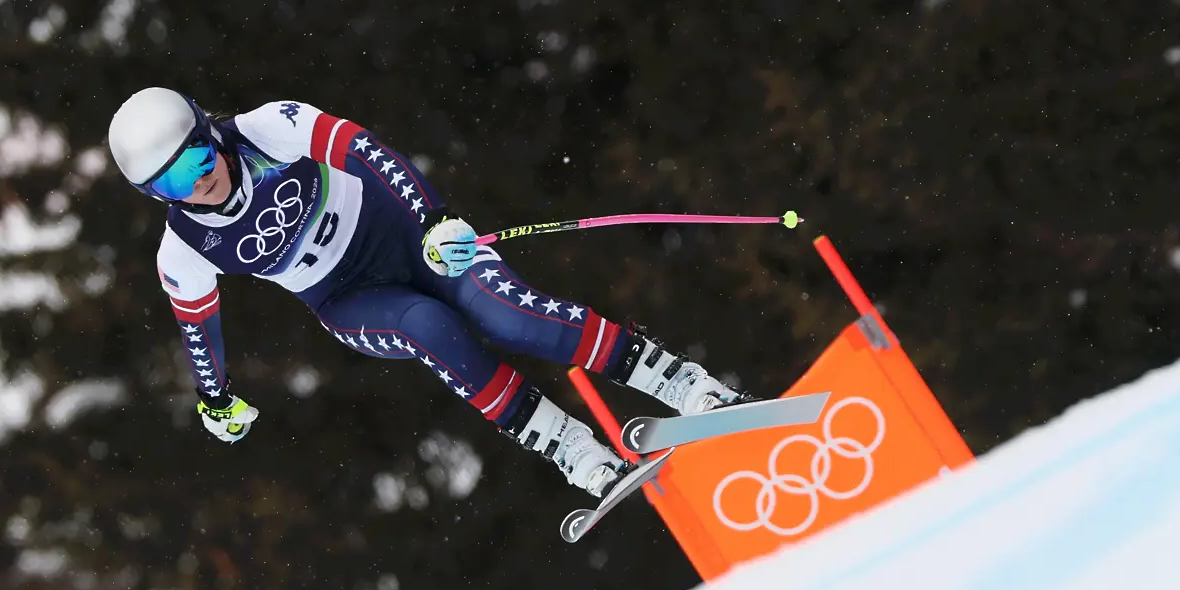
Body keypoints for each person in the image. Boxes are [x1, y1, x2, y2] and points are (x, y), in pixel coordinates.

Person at [107, 88, 746, 497]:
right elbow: (200, 333)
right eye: (167, 189)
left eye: (193, 163)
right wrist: (216, 400)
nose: (195, 187)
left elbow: (367, 152)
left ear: (208, 132)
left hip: (413, 239)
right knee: (431, 330)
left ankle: (684, 385)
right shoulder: (182, 251)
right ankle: (571, 448)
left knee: (509, 317)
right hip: (350, 300)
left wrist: (434, 217)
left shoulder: (268, 128)